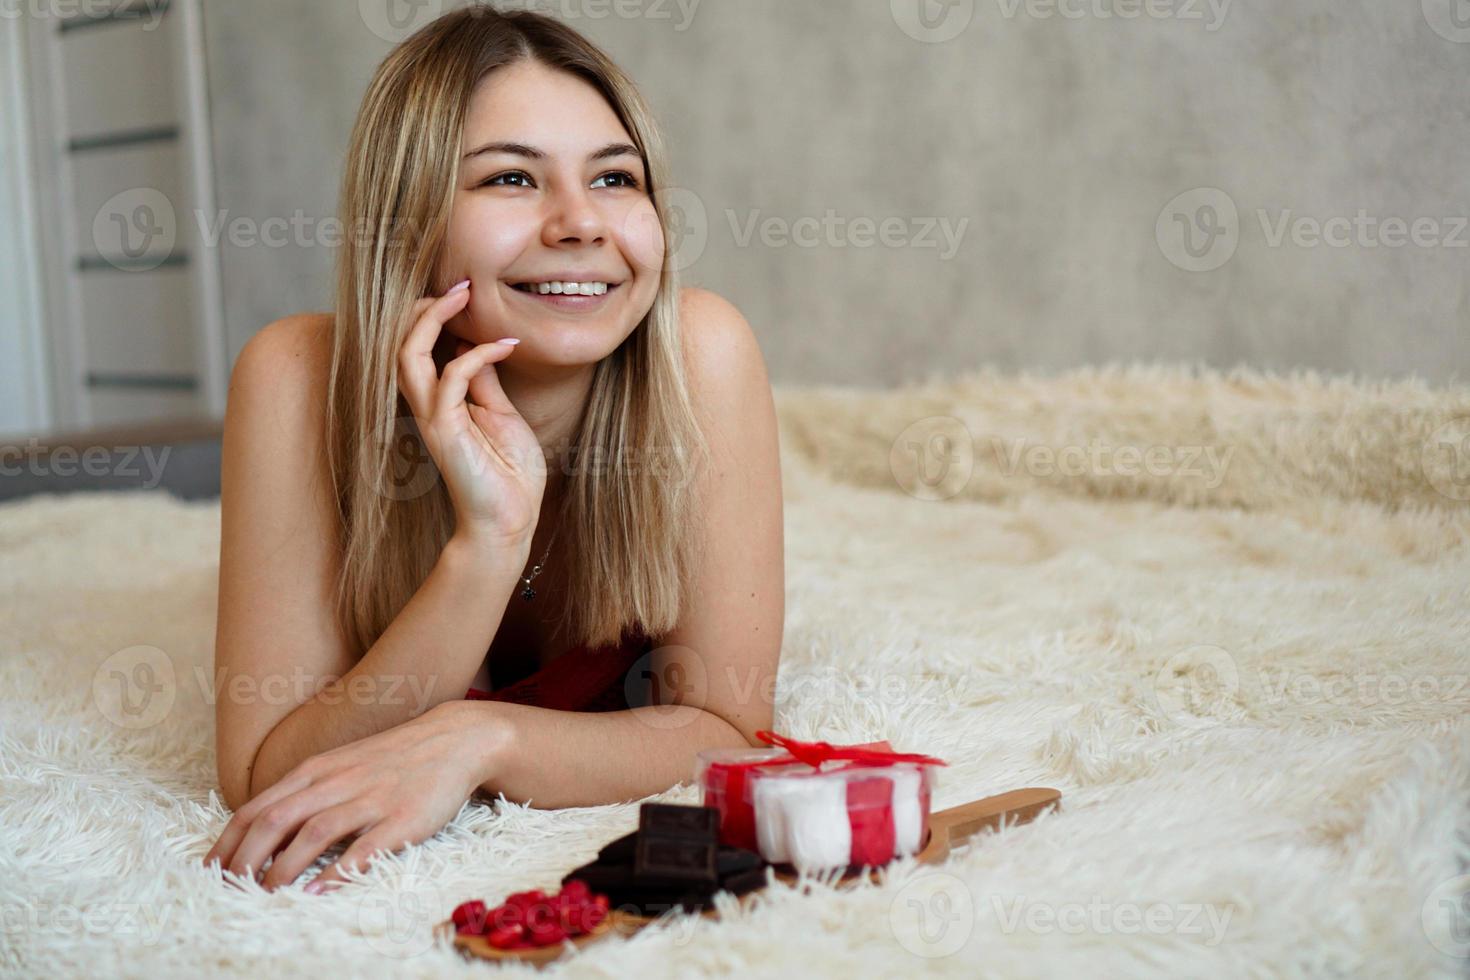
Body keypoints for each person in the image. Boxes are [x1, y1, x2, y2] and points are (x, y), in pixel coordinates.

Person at [202, 5, 783, 894]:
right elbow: (262, 777)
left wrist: (481, 741)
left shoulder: (704, 354)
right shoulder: (294, 376)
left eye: (616, 179)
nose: (581, 222)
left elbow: (728, 732)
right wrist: (486, 546)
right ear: (410, 222)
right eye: (512, 180)